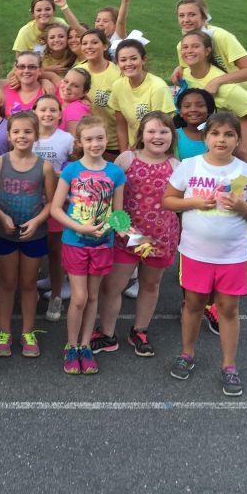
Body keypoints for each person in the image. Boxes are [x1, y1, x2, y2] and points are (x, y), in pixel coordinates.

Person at [164, 112, 247, 397]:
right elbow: (168, 200)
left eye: (229, 134)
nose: (221, 139)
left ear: (237, 139)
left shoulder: (246, 172)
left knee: (228, 309)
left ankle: (229, 366)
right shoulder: (190, 166)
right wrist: (196, 201)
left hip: (233, 255)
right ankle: (187, 354)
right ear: (206, 137)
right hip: (195, 253)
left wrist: (243, 208)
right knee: (193, 305)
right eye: (216, 134)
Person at [93, 112, 180, 357]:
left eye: (164, 131)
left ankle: (139, 330)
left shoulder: (176, 165)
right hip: (126, 237)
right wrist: (122, 228)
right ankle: (107, 333)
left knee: (150, 285)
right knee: (112, 286)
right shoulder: (126, 159)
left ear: (172, 136)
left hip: (160, 239)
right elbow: (110, 198)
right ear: (141, 134)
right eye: (152, 131)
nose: (157, 136)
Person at [50, 115, 126, 375]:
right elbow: (56, 209)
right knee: (79, 297)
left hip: (103, 244)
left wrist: (124, 230)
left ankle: (85, 345)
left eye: (100, 138)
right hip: (75, 241)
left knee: (93, 296)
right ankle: (71, 345)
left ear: (106, 139)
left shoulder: (115, 172)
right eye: (89, 139)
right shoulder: (72, 170)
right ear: (80, 142)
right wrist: (80, 227)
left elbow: (118, 213)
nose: (96, 143)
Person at [0, 112, 55, 358]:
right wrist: (2, 217)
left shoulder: (44, 166)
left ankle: (28, 331)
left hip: (33, 235)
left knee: (27, 284)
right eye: (16, 132)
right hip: (5, 233)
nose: (21, 136)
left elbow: (51, 203)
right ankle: (4, 331)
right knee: (7, 283)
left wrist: (36, 222)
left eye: (27, 131)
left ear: (36, 135)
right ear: (9, 135)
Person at [178, 31, 247, 164]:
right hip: (210, 126)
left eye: (195, 46)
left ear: (208, 51)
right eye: (185, 47)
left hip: (232, 121)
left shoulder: (225, 89)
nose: (189, 51)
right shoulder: (185, 74)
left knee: (242, 155)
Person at [171, 0, 247, 111]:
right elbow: (190, 72)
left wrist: (217, 81)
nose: (186, 20)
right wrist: (179, 71)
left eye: (192, 14)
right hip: (218, 100)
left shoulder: (221, 37)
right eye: (181, 16)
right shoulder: (183, 46)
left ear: (204, 17)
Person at [31, 94, 74, 323]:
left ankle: (56, 295)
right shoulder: (29, 137)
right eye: (42, 110)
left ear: (60, 114)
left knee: (56, 252)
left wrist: (61, 177)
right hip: (30, 203)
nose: (47, 114)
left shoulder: (66, 139)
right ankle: (30, 293)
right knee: (34, 250)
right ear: (35, 112)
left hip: (58, 203)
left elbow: (75, 167)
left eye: (53, 110)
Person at [109, 39, 176, 153]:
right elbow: (121, 125)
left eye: (134, 58)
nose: (128, 63)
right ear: (117, 63)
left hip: (157, 150)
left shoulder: (158, 87)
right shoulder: (118, 86)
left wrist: (142, 156)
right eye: (123, 60)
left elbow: (161, 130)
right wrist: (125, 154)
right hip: (133, 151)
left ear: (144, 59)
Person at [75, 29, 121, 157]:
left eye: (94, 42)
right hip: (86, 143)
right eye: (84, 43)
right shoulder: (77, 71)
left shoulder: (118, 74)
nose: (88, 46)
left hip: (111, 144)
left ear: (105, 46)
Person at [174, 88, 216, 160]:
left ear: (208, 110)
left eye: (200, 105)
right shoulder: (173, 136)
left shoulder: (218, 135)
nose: (193, 109)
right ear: (180, 112)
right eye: (187, 106)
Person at [3, 51, 45, 116]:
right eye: (22, 66)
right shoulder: (6, 91)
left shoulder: (49, 91)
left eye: (32, 67)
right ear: (15, 69)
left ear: (40, 70)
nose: (26, 71)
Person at [57, 67, 93, 135]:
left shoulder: (76, 108)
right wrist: (44, 81)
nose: (67, 87)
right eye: (66, 81)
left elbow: (74, 143)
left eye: (75, 86)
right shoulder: (58, 100)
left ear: (85, 92)